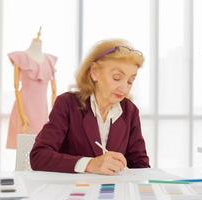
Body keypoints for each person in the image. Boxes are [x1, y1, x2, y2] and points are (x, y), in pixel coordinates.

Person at [30, 38, 150, 175]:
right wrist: (89, 164)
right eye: (117, 77)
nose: (124, 88)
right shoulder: (67, 104)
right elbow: (38, 156)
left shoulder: (130, 111)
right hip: (74, 191)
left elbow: (141, 165)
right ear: (94, 72)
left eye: (130, 81)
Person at [6, 28, 57, 149]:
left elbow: (54, 91)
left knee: (39, 148)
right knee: (24, 150)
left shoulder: (49, 61)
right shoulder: (20, 57)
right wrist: (22, 115)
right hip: (24, 109)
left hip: (42, 111)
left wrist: (53, 116)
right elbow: (16, 88)